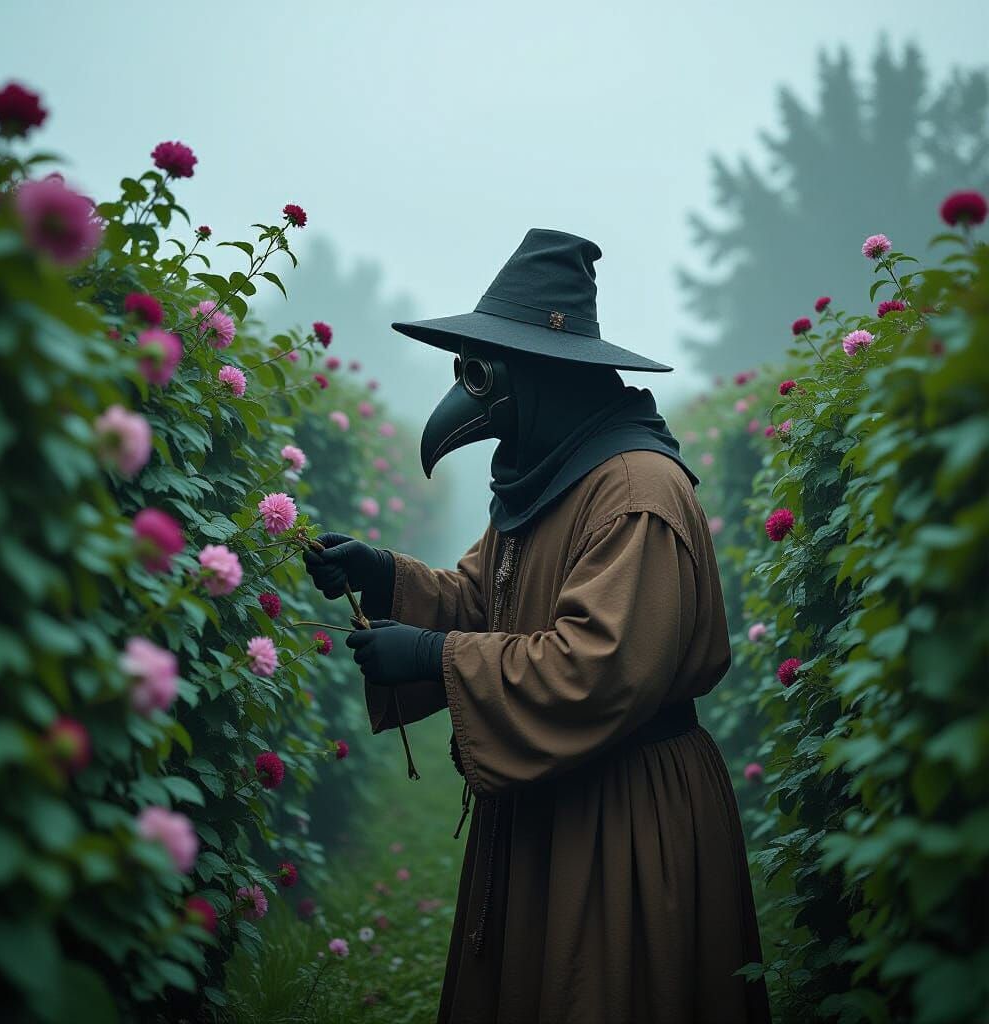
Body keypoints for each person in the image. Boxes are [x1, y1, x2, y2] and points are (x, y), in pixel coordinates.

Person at [304, 228, 771, 1024]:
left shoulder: (635, 492)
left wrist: (432, 656)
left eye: (487, 367)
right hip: (555, 793)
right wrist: (384, 576)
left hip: (625, 814)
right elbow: (486, 600)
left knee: (606, 991)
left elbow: (597, 666)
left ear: (548, 373)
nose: (474, 387)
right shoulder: (557, 476)